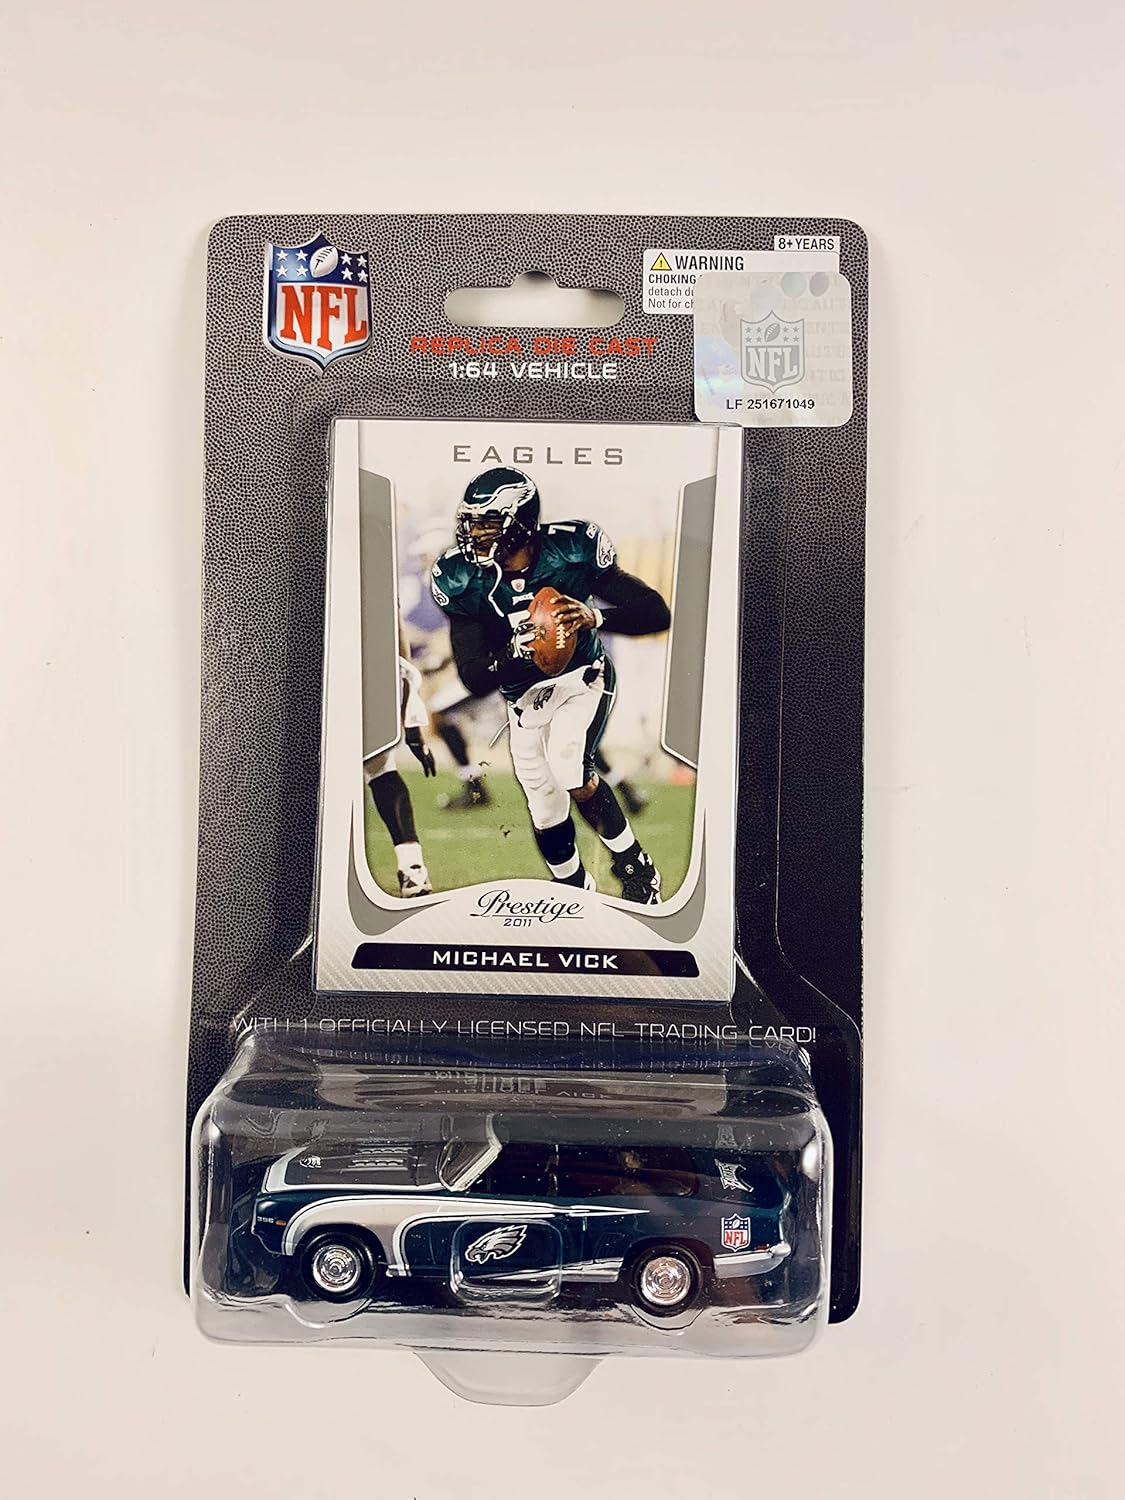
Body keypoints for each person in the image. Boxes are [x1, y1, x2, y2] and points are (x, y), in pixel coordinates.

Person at [430, 467, 668, 902]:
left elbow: (655, 612)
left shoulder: (570, 551)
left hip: (581, 678)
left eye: (488, 523)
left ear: (520, 522)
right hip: (524, 696)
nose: (476, 534)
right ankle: (573, 889)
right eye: (472, 523)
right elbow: (474, 676)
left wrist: (596, 616)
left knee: (569, 766)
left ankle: (637, 871)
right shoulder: (461, 576)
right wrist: (513, 654)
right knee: (543, 805)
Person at [364, 656, 435, 897]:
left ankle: (412, 869)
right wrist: (413, 730)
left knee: (380, 769)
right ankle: (412, 869)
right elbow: (402, 661)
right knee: (381, 770)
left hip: (356, 682)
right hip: (373, 680)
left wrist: (413, 730)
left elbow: (401, 661)